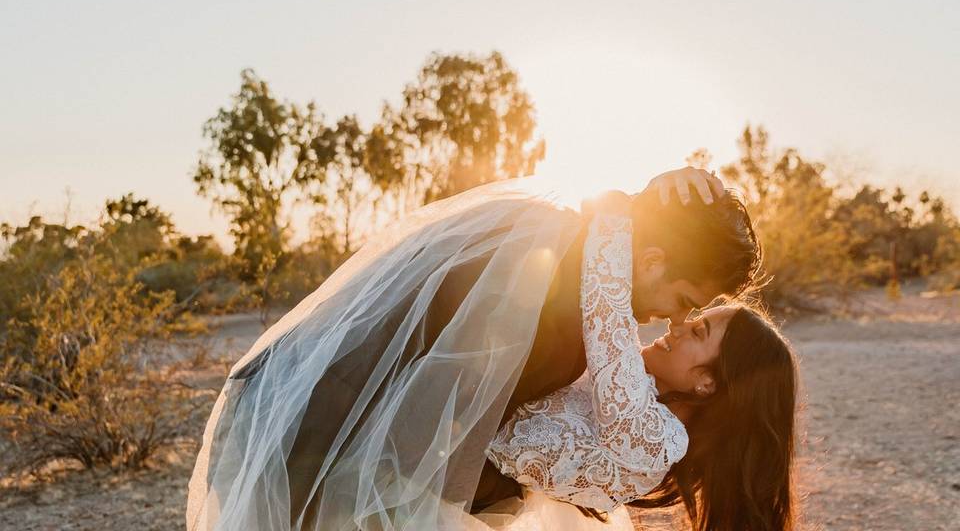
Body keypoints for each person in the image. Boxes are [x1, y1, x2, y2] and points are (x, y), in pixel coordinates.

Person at [186, 167, 765, 530]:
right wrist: (631, 207)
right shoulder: (549, 272)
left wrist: (635, 206)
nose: (676, 317)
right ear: (651, 260)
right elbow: (429, 410)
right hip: (321, 437)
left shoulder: (572, 260)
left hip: (338, 441)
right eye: (685, 299)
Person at [482, 209, 798, 531]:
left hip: (460, 492)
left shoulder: (656, 440)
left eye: (698, 331)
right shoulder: (641, 389)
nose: (678, 324)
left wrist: (618, 207)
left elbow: (607, 305)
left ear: (707, 383)